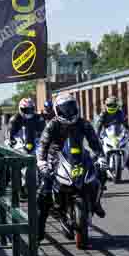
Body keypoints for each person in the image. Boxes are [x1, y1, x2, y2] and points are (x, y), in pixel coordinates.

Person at [35, 93, 107, 241]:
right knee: (43, 193)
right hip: (55, 158)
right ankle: (39, 232)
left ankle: (96, 202)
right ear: (57, 110)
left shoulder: (83, 123)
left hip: (79, 156)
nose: (68, 112)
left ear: (76, 107)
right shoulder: (52, 124)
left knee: (99, 174)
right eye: (64, 109)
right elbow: (43, 144)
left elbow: (94, 141)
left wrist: (101, 156)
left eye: (71, 108)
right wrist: (42, 162)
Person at [96, 96, 129, 180]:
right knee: (97, 156)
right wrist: (97, 136)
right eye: (109, 105)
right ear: (106, 105)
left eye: (113, 105)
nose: (111, 107)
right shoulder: (103, 114)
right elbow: (99, 126)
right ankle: (98, 176)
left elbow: (126, 125)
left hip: (118, 134)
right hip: (107, 134)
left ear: (117, 105)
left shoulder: (120, 113)